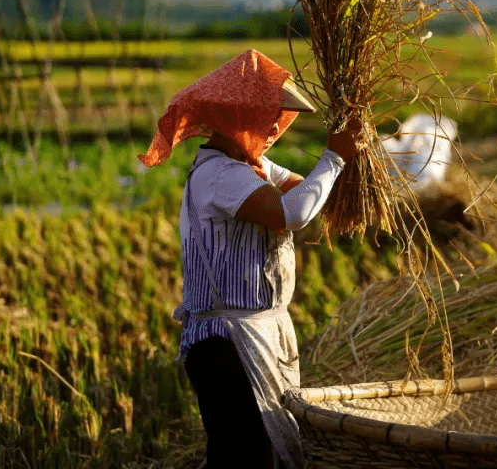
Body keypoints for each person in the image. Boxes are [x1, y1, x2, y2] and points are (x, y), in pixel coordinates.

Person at [138, 49, 363, 469]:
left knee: (260, 455)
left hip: (254, 338)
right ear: (238, 115)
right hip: (226, 345)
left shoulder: (251, 164)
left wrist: (344, 175)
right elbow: (290, 212)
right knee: (243, 457)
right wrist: (333, 158)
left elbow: (296, 188)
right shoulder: (220, 175)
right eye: (268, 115)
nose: (277, 126)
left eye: (280, 115)